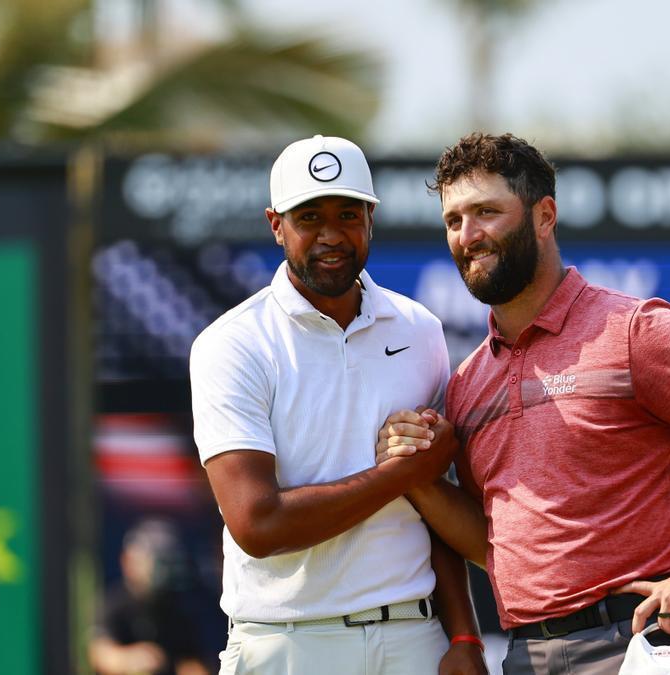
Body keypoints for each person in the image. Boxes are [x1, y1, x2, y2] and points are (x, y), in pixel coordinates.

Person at [376, 133, 670, 675]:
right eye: (454, 220)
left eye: (487, 211)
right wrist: (412, 478)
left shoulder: (633, 330)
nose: (468, 234)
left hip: (646, 646)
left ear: (544, 216)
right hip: (527, 655)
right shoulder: (468, 382)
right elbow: (495, 544)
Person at [189, 135, 487, 675]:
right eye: (309, 217)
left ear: (370, 217)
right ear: (275, 225)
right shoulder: (231, 343)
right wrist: (400, 474)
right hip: (288, 642)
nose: (331, 235)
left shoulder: (419, 330)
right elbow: (258, 525)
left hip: (413, 636)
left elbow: (435, 505)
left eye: (347, 214)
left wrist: (464, 632)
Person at [90, 518, 211, 675]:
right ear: (128, 561)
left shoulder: (177, 608)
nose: (159, 570)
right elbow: (100, 653)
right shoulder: (113, 603)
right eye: (155, 560)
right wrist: (131, 660)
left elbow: (192, 661)